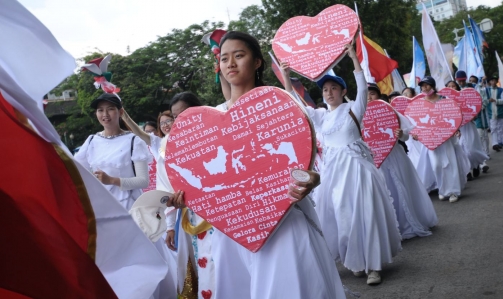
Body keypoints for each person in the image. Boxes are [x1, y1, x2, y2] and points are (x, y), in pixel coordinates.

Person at [170, 31, 346, 299]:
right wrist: (187, 197)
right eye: (225, 58)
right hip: (233, 227)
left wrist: (312, 179)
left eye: (239, 56)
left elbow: (310, 158)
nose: (230, 64)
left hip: (283, 217)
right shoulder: (207, 121)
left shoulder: (281, 106)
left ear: (257, 62)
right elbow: (203, 176)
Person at [280, 44, 401, 285]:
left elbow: (362, 85)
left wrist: (354, 58)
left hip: (358, 170)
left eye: (333, 88)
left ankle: (374, 266)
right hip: (333, 174)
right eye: (325, 89)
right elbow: (294, 102)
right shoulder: (320, 115)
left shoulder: (354, 108)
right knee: (343, 216)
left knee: (366, 213)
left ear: (342, 90)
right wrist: (285, 75)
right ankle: (355, 260)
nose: (328, 92)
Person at [122, 94, 204, 299]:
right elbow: (166, 190)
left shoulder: (214, 136)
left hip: (223, 219)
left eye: (175, 118)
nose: (174, 123)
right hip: (190, 220)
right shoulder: (165, 147)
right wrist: (169, 226)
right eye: (170, 119)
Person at [369, 82, 438, 239]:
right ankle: (392, 228)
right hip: (376, 160)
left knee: (401, 187)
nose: (369, 98)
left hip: (395, 155)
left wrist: (400, 134)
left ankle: (409, 222)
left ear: (379, 96)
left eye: (372, 94)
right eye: (366, 95)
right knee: (385, 190)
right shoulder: (359, 115)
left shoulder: (390, 111)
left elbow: (407, 135)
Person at [75, 93, 151, 210]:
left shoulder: (133, 140)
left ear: (120, 112)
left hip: (129, 206)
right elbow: (77, 171)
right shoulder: (91, 141)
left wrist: (111, 180)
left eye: (110, 109)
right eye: (100, 110)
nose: (105, 114)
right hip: (101, 206)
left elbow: (143, 181)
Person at [414, 76, 469, 203]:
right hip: (430, 140)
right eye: (422, 86)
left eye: (427, 85)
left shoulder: (445, 100)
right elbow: (415, 122)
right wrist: (415, 133)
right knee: (436, 165)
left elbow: (453, 116)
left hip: (446, 138)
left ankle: (454, 191)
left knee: (450, 163)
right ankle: (442, 189)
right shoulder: (419, 104)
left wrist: (455, 129)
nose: (425, 88)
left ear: (433, 86)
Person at [445, 80, 489, 179]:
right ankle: (467, 171)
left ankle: (477, 164)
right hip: (455, 128)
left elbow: (473, 110)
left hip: (468, 126)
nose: (452, 88)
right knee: (461, 150)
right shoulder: (444, 102)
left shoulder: (464, 98)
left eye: (453, 86)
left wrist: (473, 116)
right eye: (449, 86)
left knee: (472, 149)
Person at [485, 75, 503, 149]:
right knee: (493, 128)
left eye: (495, 80)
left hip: (500, 111)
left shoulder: (501, 90)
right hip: (491, 112)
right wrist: (487, 100)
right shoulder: (486, 90)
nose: (493, 82)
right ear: (489, 82)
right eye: (491, 80)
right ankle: (495, 143)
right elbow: (483, 99)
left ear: (497, 81)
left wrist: (495, 100)